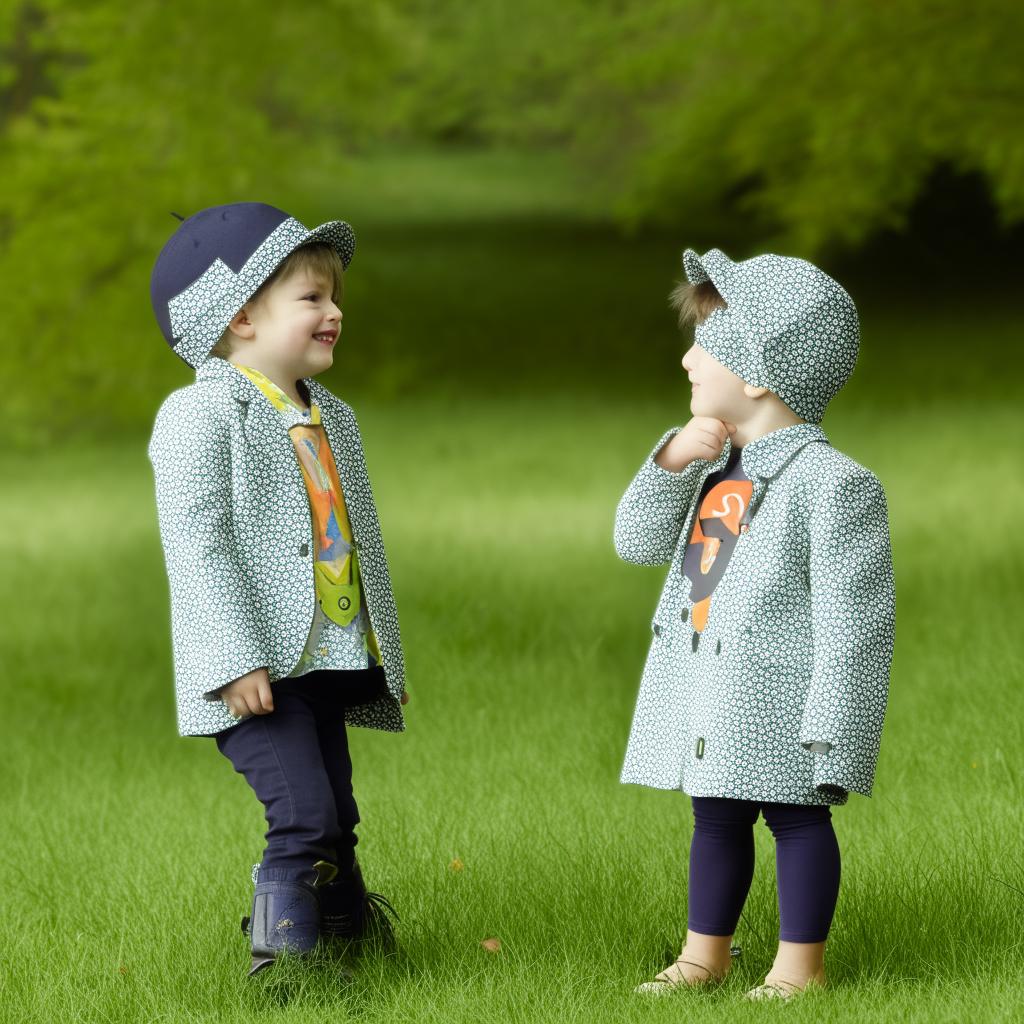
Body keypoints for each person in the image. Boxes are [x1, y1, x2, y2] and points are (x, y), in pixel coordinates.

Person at [614, 247, 895, 1000]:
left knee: (798, 824)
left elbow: (856, 623)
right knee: (715, 819)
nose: (686, 360)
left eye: (704, 345)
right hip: (714, 689)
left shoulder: (835, 487)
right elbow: (635, 543)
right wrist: (669, 462)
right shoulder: (709, 464)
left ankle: (799, 969)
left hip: (787, 702)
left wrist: (839, 727)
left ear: (759, 372)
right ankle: (704, 955)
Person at [146, 202, 408, 977]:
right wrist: (232, 657)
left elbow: (350, 543)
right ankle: (284, 970)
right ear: (240, 318)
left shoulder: (333, 418)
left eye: (333, 297)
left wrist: (377, 655)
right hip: (254, 666)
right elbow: (196, 542)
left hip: (324, 657)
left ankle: (355, 950)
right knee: (302, 813)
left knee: (339, 816)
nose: (334, 312)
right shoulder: (201, 413)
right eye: (311, 298)